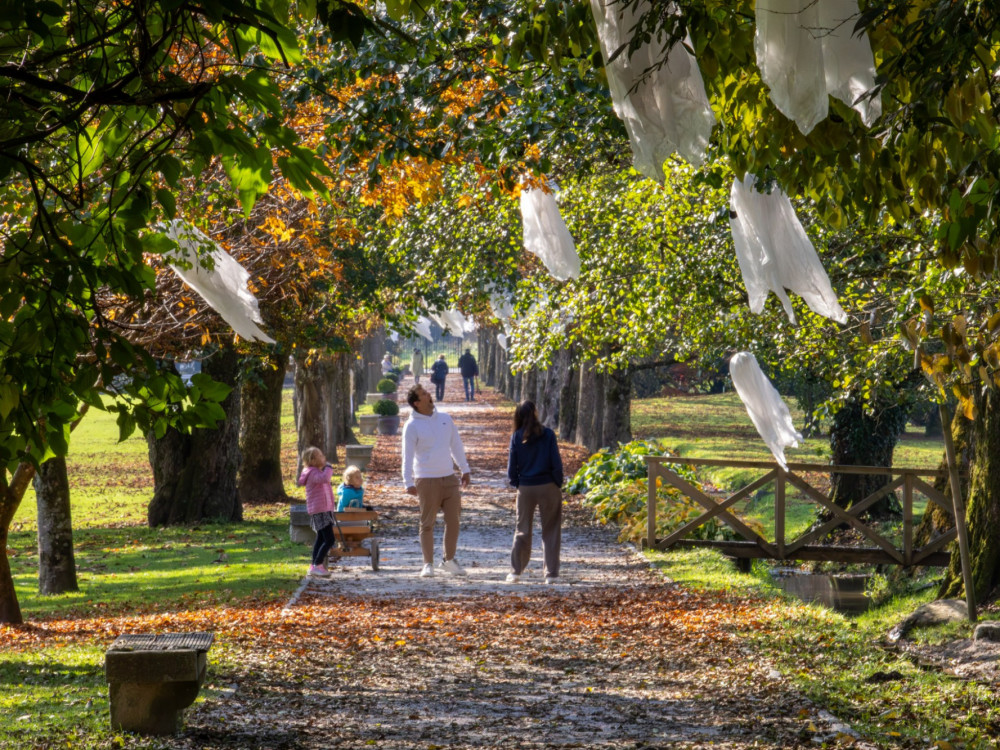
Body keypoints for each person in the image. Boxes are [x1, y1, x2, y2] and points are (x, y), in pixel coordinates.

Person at [402, 383, 472, 577]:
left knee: (454, 520)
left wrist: (465, 469)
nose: (428, 395)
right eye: (424, 394)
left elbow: (456, 445)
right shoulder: (411, 426)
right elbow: (407, 455)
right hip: (426, 479)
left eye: (427, 392)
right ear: (416, 403)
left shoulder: (445, 419)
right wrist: (407, 481)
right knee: (427, 523)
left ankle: (449, 560)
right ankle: (428, 563)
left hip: (449, 478)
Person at [506, 400, 564, 585]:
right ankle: (551, 574)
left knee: (522, 529)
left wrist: (518, 483)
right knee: (551, 530)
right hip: (548, 485)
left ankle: (516, 571)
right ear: (536, 413)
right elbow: (556, 462)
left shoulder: (516, 436)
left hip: (526, 487)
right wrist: (557, 482)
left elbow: (511, 467)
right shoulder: (548, 434)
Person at [297, 446, 336, 578]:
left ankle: (314, 565)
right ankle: (318, 564)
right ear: (312, 460)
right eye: (320, 456)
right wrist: (329, 467)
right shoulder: (313, 473)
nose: (323, 457)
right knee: (329, 539)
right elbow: (325, 479)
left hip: (324, 509)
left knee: (320, 538)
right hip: (320, 510)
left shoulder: (315, 472)